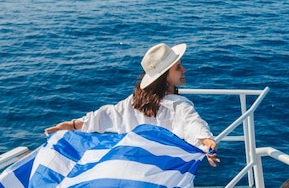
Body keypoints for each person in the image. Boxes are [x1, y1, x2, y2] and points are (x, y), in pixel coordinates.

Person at [45, 43, 219, 166]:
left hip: (136, 164)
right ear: (164, 76)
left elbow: (106, 115)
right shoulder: (178, 106)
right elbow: (191, 122)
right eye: (178, 67)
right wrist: (205, 141)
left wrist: (74, 124)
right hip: (163, 169)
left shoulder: (134, 101)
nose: (184, 70)